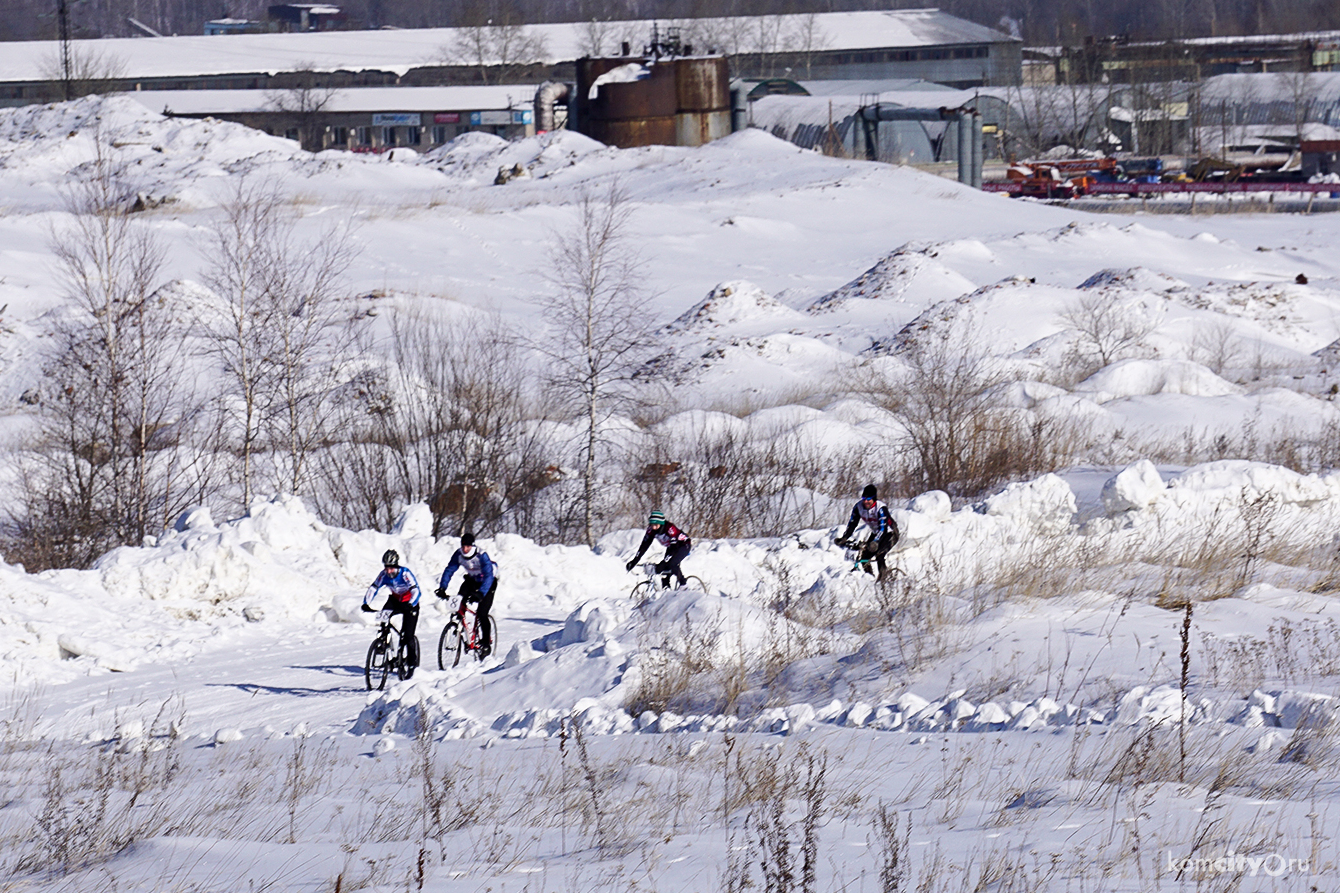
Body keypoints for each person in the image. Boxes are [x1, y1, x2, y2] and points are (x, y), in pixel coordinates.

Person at [362, 549, 422, 678]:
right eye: (386, 568)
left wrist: (411, 604)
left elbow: (416, 590)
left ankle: (411, 663)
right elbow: (374, 588)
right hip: (394, 600)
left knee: (408, 635)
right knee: (384, 619)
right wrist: (366, 603)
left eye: (391, 568)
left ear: (396, 566)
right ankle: (383, 642)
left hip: (410, 602)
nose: (388, 571)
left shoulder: (405, 573)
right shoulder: (383, 575)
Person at [435, 533, 497, 657]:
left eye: (468, 546)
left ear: (472, 546)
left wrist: (481, 593)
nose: (465, 549)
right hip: (471, 581)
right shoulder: (459, 554)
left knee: (482, 613)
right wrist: (442, 587)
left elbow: (489, 576)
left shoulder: (481, 555)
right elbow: (449, 570)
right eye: (463, 546)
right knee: (458, 603)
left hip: (488, 583)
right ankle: (458, 627)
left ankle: (485, 643)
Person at [835, 484, 900, 582]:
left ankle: (883, 581)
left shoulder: (880, 508)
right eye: (864, 498)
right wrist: (844, 538)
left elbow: (883, 528)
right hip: (876, 532)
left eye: (868, 499)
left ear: (874, 499)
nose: (865, 501)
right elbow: (852, 524)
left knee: (879, 554)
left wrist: (876, 542)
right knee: (864, 557)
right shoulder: (858, 507)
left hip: (890, 533)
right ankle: (869, 579)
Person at [625, 510, 691, 589]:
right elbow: (644, 546)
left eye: (656, 525)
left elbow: (674, 548)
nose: (653, 527)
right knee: (664, 570)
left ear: (661, 524)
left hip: (683, 545)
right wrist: (635, 560)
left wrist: (665, 561)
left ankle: (683, 584)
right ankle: (666, 589)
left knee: (672, 563)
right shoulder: (651, 530)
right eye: (651, 524)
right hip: (671, 546)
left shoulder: (670, 528)